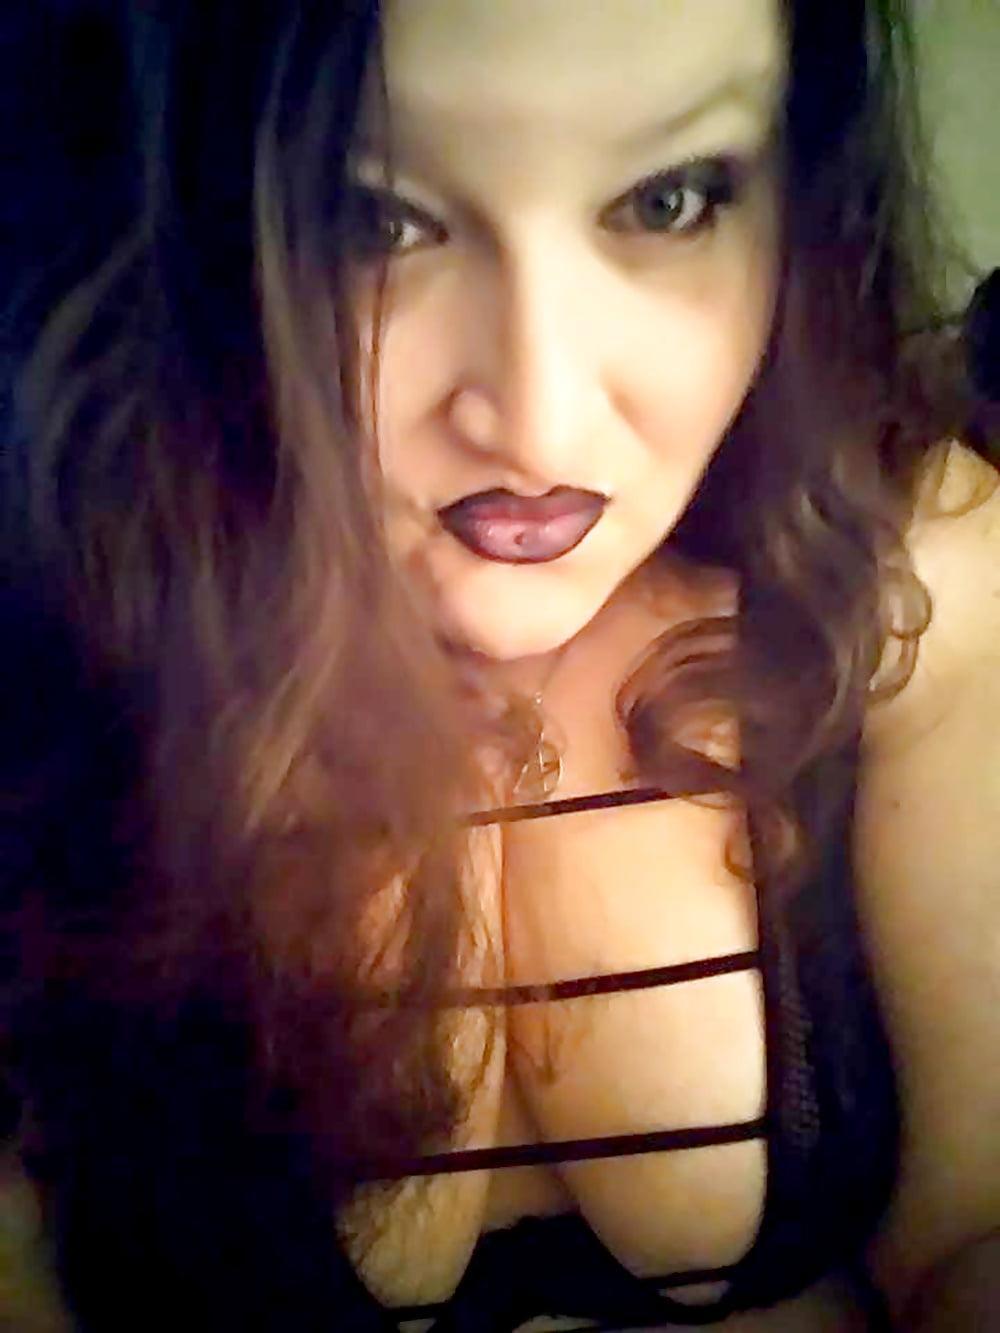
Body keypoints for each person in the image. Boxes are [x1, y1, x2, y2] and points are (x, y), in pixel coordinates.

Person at [1, 1, 998, 1329]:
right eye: (373, 221)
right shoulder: (55, 619)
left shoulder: (910, 570)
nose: (539, 419)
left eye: (668, 199)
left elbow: (974, 1224)